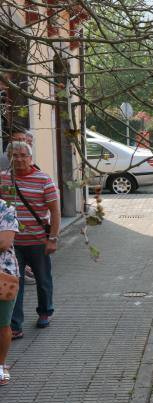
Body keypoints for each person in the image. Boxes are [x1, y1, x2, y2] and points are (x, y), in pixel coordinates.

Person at [0, 141, 60, 339]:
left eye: (22, 155)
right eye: (14, 155)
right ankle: (15, 325)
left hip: (38, 241)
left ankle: (45, 311)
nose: (18, 159)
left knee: (43, 279)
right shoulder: (3, 179)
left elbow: (55, 211)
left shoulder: (44, 180)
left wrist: (53, 238)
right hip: (12, 244)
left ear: (30, 157)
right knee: (14, 283)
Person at [0, 198, 19, 385]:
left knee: (2, 324)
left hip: (3, 277)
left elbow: (4, 242)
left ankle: (0, 364)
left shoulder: (5, 209)